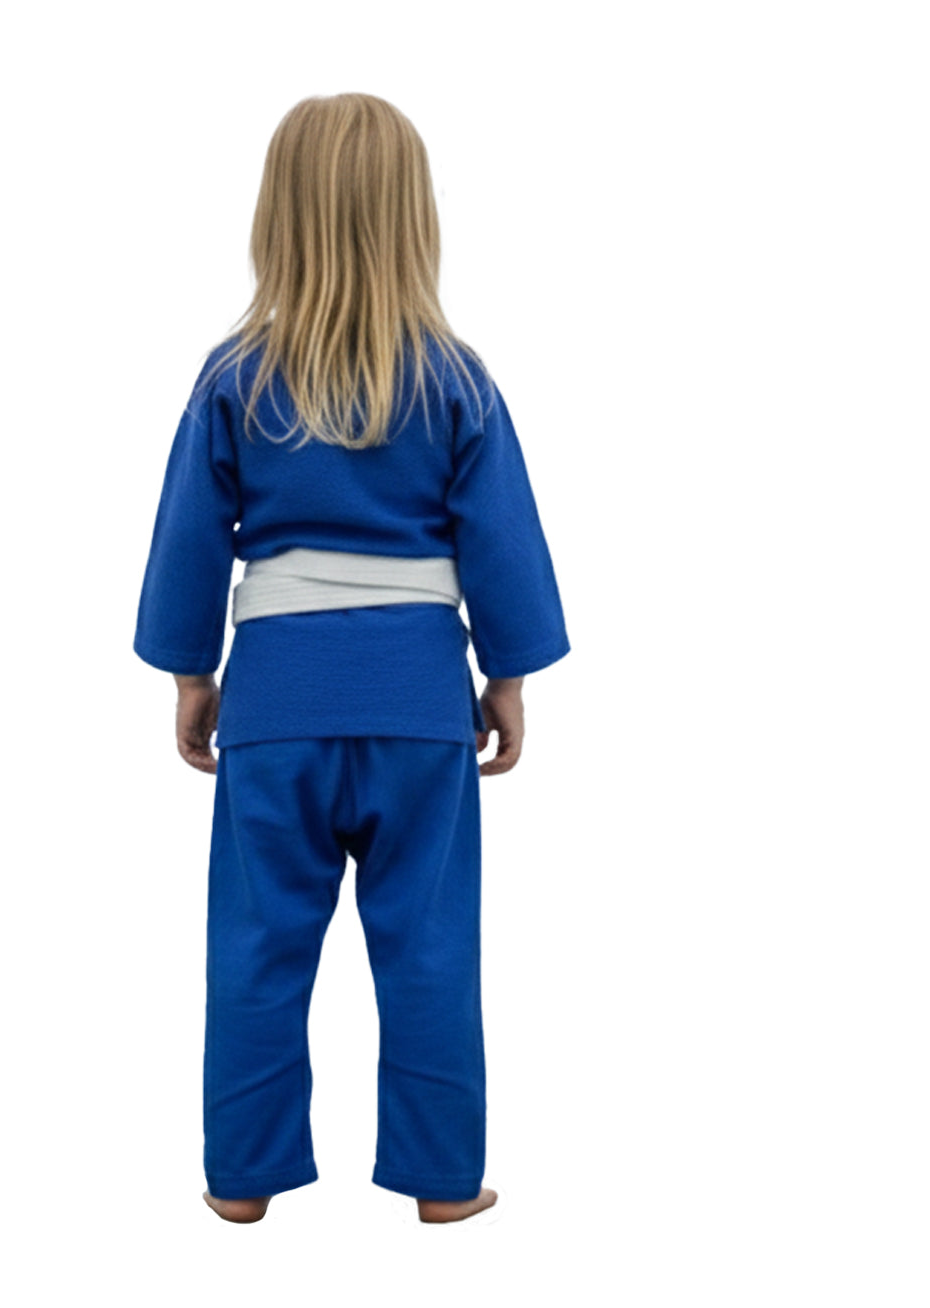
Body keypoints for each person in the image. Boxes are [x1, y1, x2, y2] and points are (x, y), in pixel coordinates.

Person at [133, 92, 570, 1224]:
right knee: (429, 950)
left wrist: (192, 674)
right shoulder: (457, 381)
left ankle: (241, 1180)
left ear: (277, 216)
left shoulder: (233, 380)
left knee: (255, 950)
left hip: (276, 704)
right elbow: (504, 545)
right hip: (420, 704)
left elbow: (188, 543)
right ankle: (443, 1184)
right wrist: (507, 678)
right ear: (414, 216)